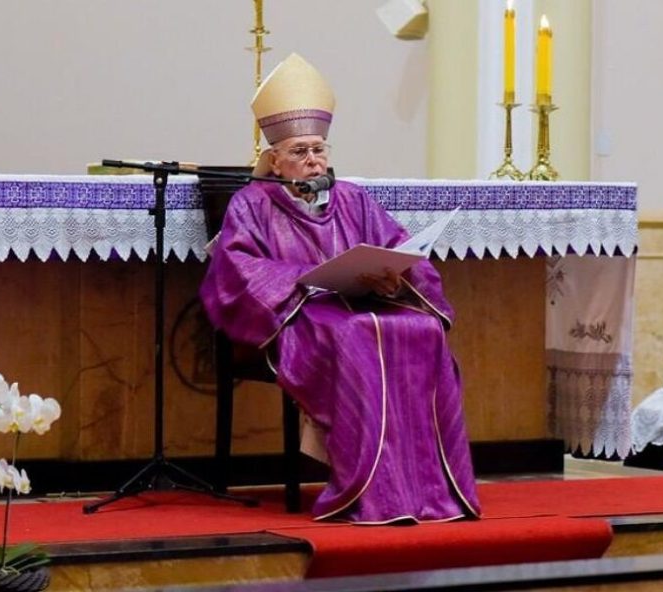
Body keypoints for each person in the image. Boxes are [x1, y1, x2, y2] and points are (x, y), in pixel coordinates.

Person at [200, 53, 481, 523]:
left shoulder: (353, 197)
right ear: (274, 159)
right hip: (302, 315)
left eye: (319, 149)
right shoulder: (252, 203)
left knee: (424, 330)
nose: (313, 160)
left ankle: (430, 488)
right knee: (354, 335)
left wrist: (397, 276)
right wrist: (302, 281)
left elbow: (397, 246)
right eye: (299, 152)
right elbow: (236, 269)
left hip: (365, 302)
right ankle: (369, 487)